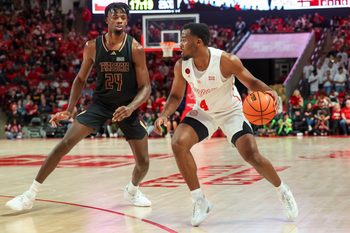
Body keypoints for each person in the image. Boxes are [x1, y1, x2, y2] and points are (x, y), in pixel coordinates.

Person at [6, 2, 152, 211]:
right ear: (107, 19)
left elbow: (146, 87)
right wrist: (69, 108)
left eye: (123, 17)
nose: (119, 20)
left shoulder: (135, 48)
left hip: (126, 108)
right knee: (64, 143)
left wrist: (130, 107)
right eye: (115, 16)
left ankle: (132, 190)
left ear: (127, 21)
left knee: (144, 163)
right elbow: (80, 79)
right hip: (100, 105)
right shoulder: (92, 46)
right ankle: (30, 194)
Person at [154, 23, 298, 226]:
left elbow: (251, 82)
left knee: (252, 155)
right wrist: (164, 116)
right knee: (178, 143)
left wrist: (269, 91)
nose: (180, 44)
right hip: (204, 112)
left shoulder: (225, 60)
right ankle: (199, 201)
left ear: (198, 42)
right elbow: (176, 95)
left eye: (184, 39)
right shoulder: (182, 65)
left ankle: (283, 190)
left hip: (231, 112)